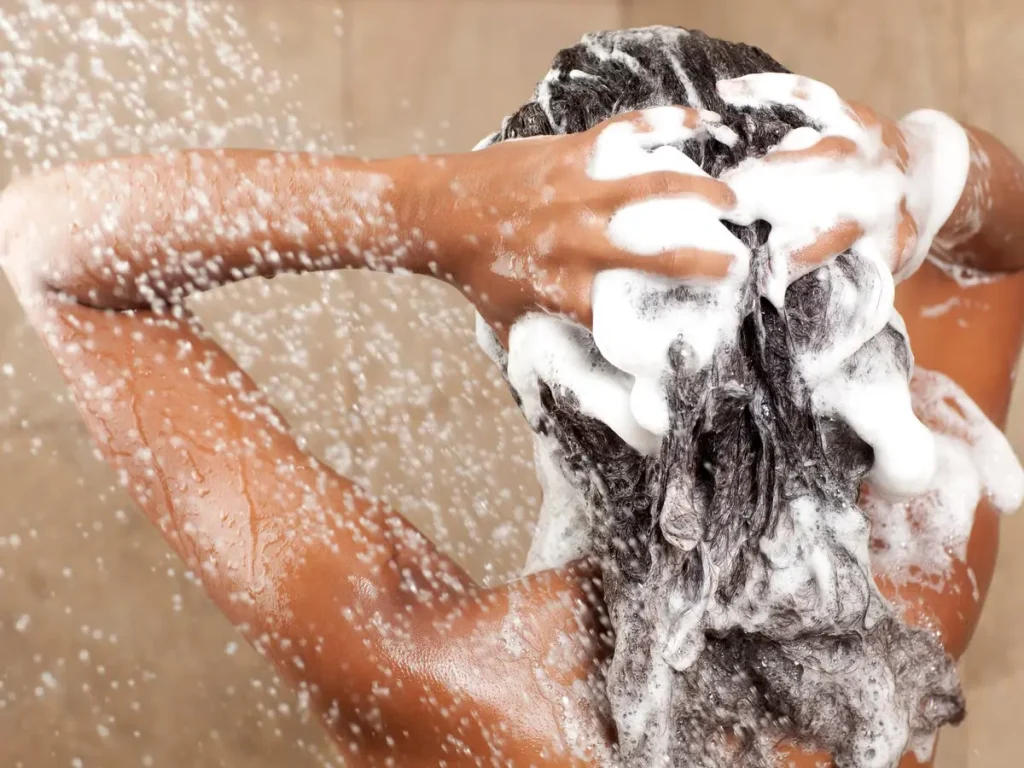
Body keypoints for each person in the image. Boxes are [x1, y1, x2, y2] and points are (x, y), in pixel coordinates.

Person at [1, 64, 1023, 768]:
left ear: (533, 363)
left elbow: (54, 259)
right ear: (844, 319)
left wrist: (428, 213)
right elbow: (994, 259)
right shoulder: (914, 585)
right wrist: (918, 173)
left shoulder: (447, 686)